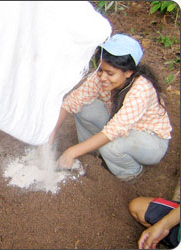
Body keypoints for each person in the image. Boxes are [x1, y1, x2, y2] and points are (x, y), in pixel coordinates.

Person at [49, 33, 172, 181]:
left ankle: (130, 173)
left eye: (110, 73)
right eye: (100, 70)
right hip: (121, 126)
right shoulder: (100, 77)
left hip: (150, 140)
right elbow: (70, 103)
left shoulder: (142, 88)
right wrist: (49, 135)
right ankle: (93, 155)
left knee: (111, 147)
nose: (102, 77)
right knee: (84, 108)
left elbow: (113, 131)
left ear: (128, 72)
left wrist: (71, 152)